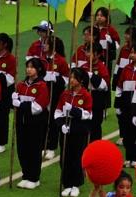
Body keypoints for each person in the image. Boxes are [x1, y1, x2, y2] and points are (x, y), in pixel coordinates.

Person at [11, 58, 50, 190]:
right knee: (22, 150)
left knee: (34, 150)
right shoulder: (21, 84)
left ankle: (34, 178)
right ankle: (26, 175)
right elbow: (16, 104)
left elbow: (37, 107)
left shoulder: (42, 86)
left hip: (36, 124)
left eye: (32, 67)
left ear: (38, 69)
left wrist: (20, 104)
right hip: (21, 123)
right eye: (27, 67)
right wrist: (14, 100)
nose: (29, 69)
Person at [55, 68, 93, 197]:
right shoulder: (65, 94)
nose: (71, 80)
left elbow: (88, 114)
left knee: (77, 157)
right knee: (65, 157)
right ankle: (67, 183)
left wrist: (73, 110)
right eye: (70, 77)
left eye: (74, 78)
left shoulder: (86, 95)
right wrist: (61, 125)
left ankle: (76, 184)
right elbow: (57, 112)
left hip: (79, 131)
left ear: (81, 80)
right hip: (66, 129)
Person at [0, 33, 17, 152]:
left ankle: (1, 142)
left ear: (5, 44)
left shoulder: (11, 59)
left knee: (2, 116)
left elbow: (10, 79)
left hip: (5, 91)